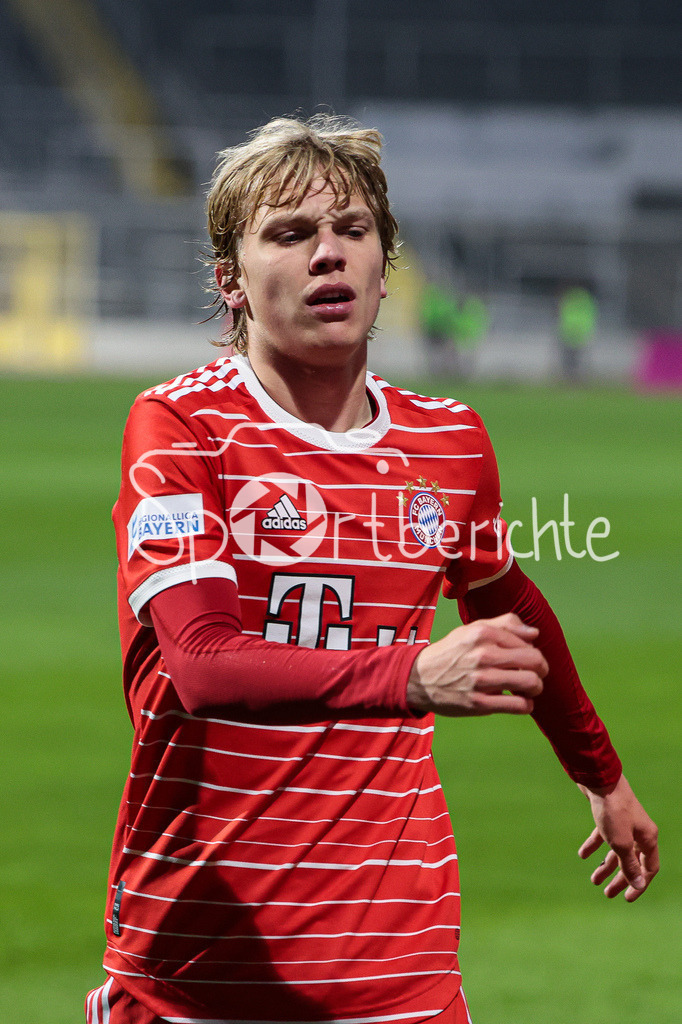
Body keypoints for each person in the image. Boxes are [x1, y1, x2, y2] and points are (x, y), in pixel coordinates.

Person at [86, 115, 658, 1024]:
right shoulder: (180, 431)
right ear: (230, 279)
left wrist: (603, 775)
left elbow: (513, 605)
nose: (328, 255)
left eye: (353, 231)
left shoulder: (451, 440)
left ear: (386, 267)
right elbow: (200, 661)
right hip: (201, 961)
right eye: (290, 232)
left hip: (404, 966)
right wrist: (413, 673)